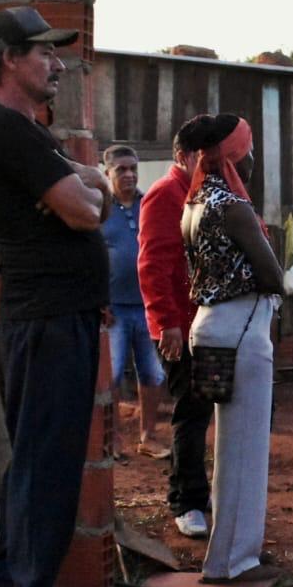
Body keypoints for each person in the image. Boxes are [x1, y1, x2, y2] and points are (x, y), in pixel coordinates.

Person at [0, 6, 113, 587]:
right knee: (49, 470)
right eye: (44, 54)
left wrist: (86, 182)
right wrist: (90, 188)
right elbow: (86, 207)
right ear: (7, 59)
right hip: (49, 321)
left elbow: (87, 185)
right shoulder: (9, 131)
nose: (57, 64)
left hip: (57, 316)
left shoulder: (28, 133)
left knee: (33, 463)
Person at [181, 114, 284, 584]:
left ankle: (227, 554)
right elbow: (271, 275)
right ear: (235, 157)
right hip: (241, 327)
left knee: (228, 444)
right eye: (250, 150)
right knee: (244, 448)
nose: (255, 158)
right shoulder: (233, 208)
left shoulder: (195, 202)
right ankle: (233, 562)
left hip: (209, 327)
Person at [139, 116, 226, 539]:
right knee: (189, 414)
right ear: (182, 157)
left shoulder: (204, 193)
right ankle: (186, 501)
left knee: (204, 409)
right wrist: (167, 323)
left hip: (207, 325)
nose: (211, 163)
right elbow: (152, 266)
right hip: (180, 329)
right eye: (203, 156)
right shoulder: (163, 195)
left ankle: (197, 490)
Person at [100, 145, 167, 456]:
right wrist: (99, 301)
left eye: (132, 169)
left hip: (148, 307)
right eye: (121, 170)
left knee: (153, 373)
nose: (128, 175)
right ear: (107, 173)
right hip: (112, 310)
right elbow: (91, 259)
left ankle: (148, 436)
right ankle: (112, 439)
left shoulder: (149, 204)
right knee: (110, 376)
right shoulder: (100, 209)